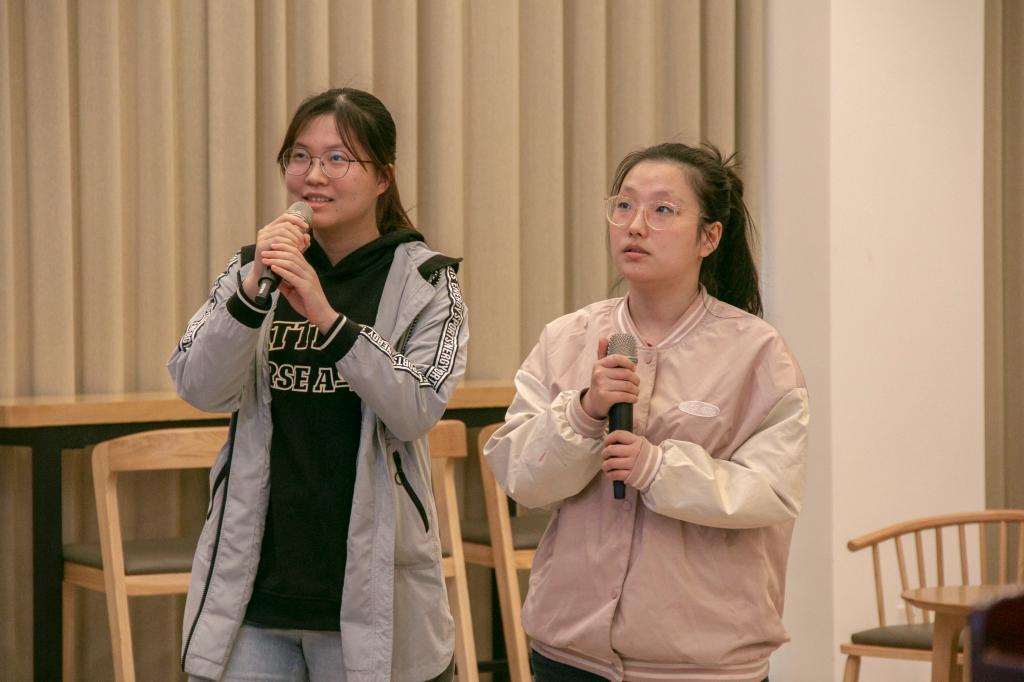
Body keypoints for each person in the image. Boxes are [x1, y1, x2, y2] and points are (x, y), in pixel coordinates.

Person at [168, 87, 467, 682]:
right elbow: (197, 385)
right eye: (299, 157)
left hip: (367, 595)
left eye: (337, 159)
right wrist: (251, 295)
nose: (314, 176)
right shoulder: (252, 269)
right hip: (255, 591)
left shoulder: (427, 282)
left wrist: (329, 320)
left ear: (383, 177)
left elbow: (415, 408)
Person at [484, 142, 808, 682]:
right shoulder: (567, 338)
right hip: (569, 653)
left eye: (662, 210)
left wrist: (659, 469)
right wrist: (584, 413)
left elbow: (773, 491)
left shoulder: (757, 352)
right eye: (624, 206)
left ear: (709, 237)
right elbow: (522, 479)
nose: (635, 226)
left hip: (701, 663)